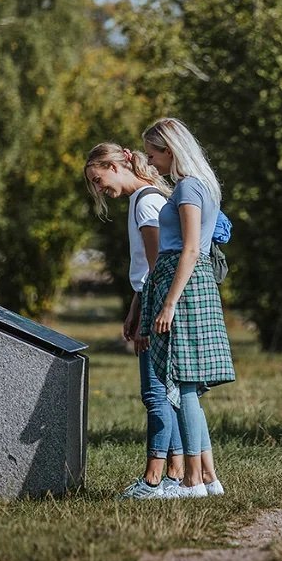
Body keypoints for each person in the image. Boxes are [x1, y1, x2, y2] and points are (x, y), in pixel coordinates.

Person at [83, 142, 231, 499]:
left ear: (115, 166)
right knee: (172, 391)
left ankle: (163, 477)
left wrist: (148, 313)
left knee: (161, 392)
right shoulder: (145, 200)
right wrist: (136, 309)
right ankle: (196, 476)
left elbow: (158, 264)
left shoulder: (147, 202)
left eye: (99, 179)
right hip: (150, 298)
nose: (100, 189)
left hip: (163, 300)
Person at [140, 117, 235, 499]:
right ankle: (208, 478)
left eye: (153, 154)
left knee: (182, 384)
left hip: (185, 288)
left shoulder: (191, 187)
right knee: (185, 384)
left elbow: (192, 248)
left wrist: (169, 303)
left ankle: (193, 480)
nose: (151, 161)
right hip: (184, 284)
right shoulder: (193, 186)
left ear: (170, 150)